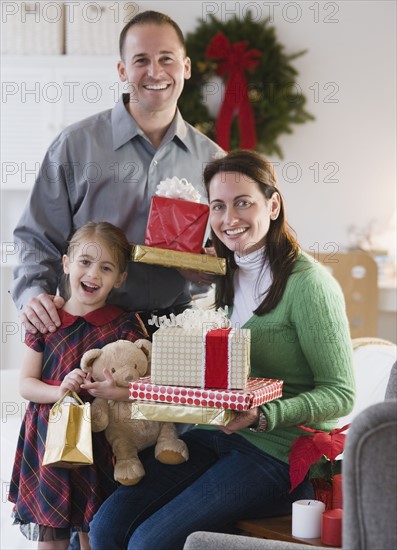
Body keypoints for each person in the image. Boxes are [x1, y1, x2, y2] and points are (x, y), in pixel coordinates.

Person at [88, 150, 356, 550]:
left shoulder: (310, 286)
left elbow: (341, 393)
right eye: (218, 206)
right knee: (106, 527)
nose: (229, 219)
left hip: (278, 454)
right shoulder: (227, 273)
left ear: (274, 204)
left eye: (243, 202)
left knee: (149, 543)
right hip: (216, 434)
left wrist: (264, 416)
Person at [11, 10, 223, 337]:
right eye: (141, 60)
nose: (155, 72)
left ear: (186, 67)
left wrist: (209, 266)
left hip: (176, 332)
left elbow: (232, 251)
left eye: (167, 58)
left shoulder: (213, 161)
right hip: (85, 329)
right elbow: (37, 238)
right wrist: (33, 294)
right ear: (122, 70)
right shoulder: (74, 145)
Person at [8, 221, 148, 550]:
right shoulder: (46, 320)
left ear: (120, 278)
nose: (93, 274)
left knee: (94, 531)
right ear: (67, 263)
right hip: (49, 442)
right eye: (85, 262)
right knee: (51, 535)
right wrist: (59, 391)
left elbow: (145, 390)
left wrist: (116, 392)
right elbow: (26, 385)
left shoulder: (125, 324)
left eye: (106, 267)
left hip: (100, 442)